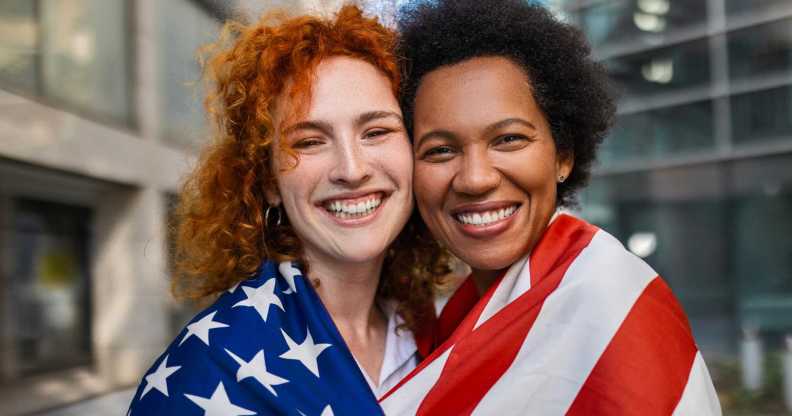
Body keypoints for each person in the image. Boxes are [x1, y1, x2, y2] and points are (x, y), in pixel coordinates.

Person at [380, 1, 722, 415]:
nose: (475, 178)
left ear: (563, 155)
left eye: (508, 139)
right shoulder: (445, 319)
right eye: (440, 150)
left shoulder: (610, 305)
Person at [127, 5, 446, 415]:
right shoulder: (206, 368)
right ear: (269, 183)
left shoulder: (429, 331)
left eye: (377, 131)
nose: (352, 169)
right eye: (309, 141)